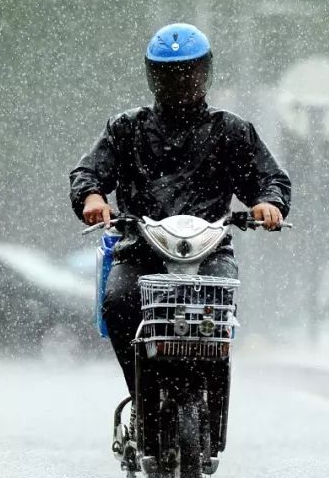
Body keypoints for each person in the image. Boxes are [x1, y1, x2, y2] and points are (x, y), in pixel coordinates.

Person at [68, 22, 291, 400]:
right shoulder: (126, 129)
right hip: (139, 252)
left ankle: (212, 395)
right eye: (170, 75)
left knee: (217, 308)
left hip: (209, 253)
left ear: (206, 73)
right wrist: (91, 198)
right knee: (119, 303)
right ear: (153, 77)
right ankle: (141, 396)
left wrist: (268, 204)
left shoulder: (231, 131)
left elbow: (270, 179)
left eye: (190, 73)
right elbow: (88, 172)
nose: (182, 83)